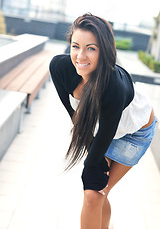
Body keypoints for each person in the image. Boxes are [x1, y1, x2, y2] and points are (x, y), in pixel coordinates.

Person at [49, 13, 157, 229]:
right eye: (75, 45)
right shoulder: (59, 68)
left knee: (95, 193)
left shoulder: (113, 86)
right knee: (97, 194)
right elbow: (75, 116)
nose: (80, 56)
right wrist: (90, 149)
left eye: (91, 48)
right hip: (107, 128)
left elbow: (107, 131)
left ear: (104, 51)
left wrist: (92, 164)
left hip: (134, 134)